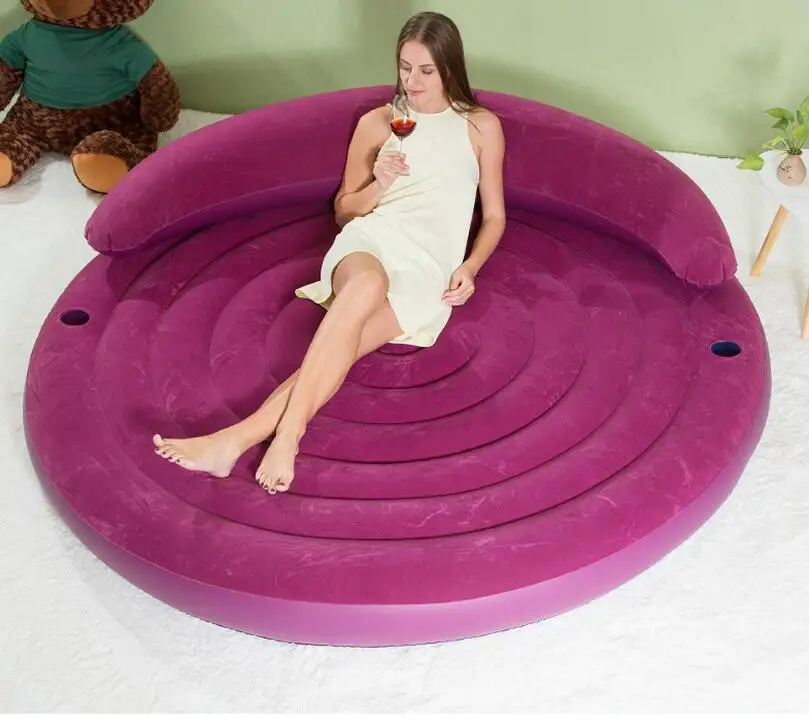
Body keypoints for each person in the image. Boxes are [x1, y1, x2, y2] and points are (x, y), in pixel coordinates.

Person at [153, 11, 506, 494]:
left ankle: (231, 442)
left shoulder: (481, 127)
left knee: (341, 350)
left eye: (426, 70)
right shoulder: (379, 123)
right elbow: (344, 211)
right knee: (367, 284)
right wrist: (380, 184)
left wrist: (470, 266)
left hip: (429, 270)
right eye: (405, 67)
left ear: (450, 66)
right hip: (373, 242)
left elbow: (494, 216)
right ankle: (288, 436)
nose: (413, 81)